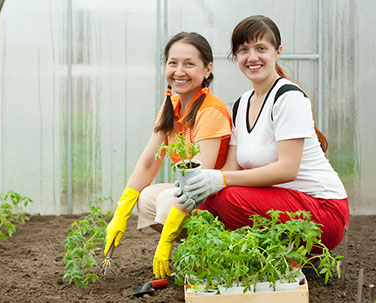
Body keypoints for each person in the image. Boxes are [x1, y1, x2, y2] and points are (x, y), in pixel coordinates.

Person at [178, 15, 349, 253]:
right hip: (283, 204)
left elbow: (287, 168)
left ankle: (292, 259)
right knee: (204, 209)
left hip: (323, 211)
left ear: (278, 51)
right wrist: (198, 187)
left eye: (261, 48)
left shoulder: (288, 97)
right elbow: (231, 168)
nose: (252, 57)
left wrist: (220, 181)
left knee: (230, 199)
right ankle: (251, 261)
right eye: (244, 50)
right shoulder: (241, 104)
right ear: (235, 56)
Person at [103, 32, 232, 279]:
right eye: (173, 63)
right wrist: (121, 213)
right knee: (147, 198)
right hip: (195, 195)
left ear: (207, 70)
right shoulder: (171, 105)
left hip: (217, 196)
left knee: (165, 201)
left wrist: (166, 240)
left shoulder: (210, 111)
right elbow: (148, 162)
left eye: (189, 64)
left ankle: (209, 249)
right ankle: (196, 249)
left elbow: (197, 182)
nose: (179, 71)